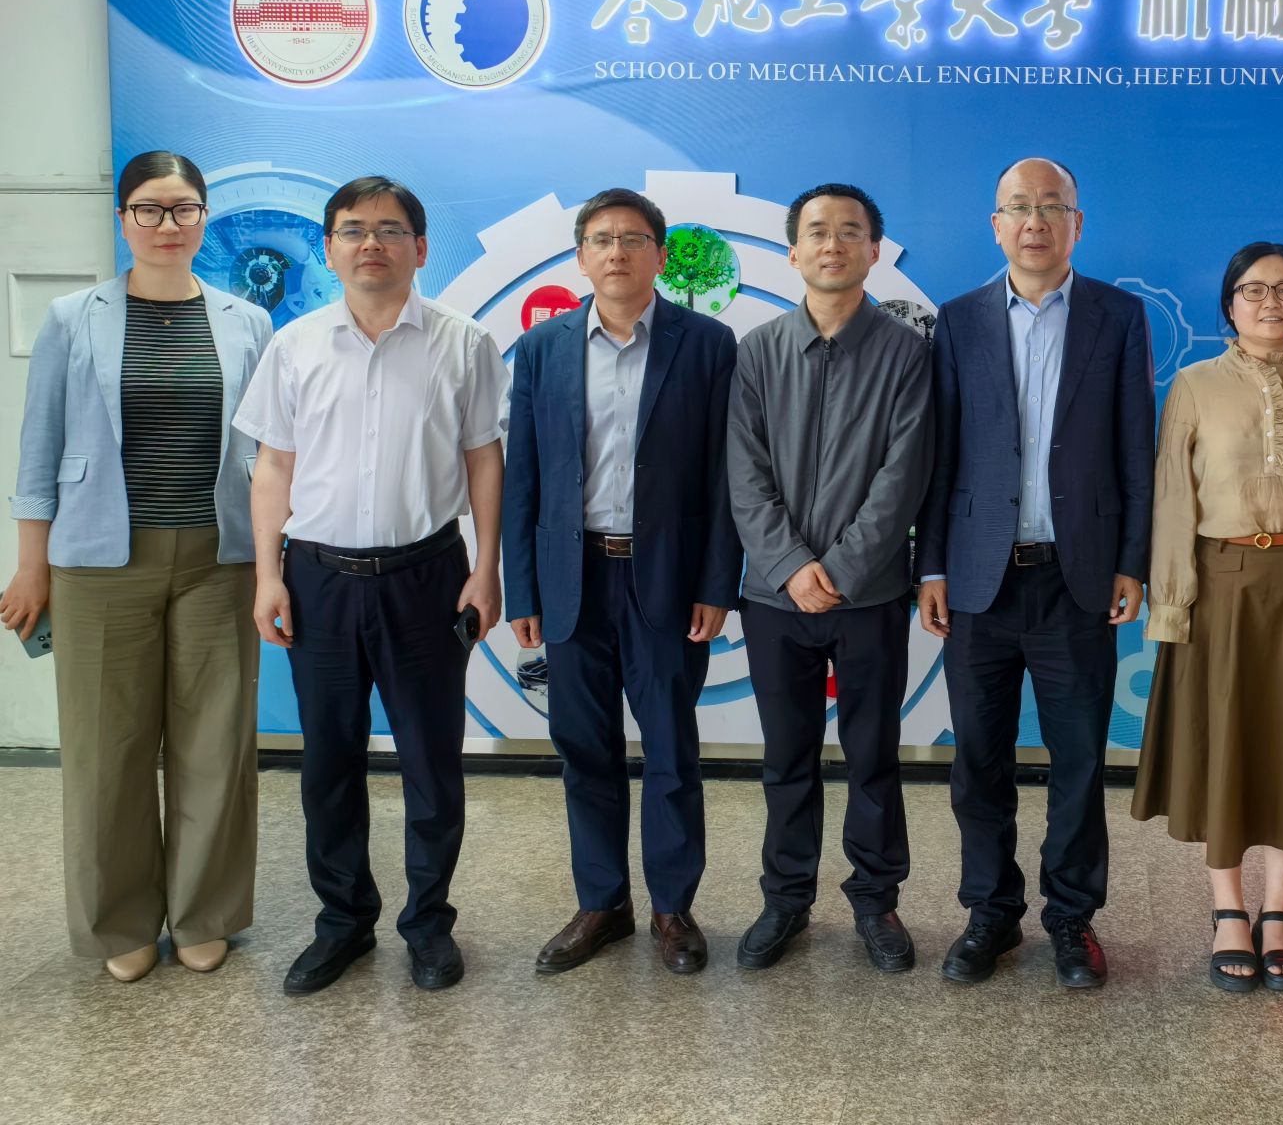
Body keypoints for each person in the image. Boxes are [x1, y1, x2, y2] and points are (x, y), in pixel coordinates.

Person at [2, 153, 271, 983]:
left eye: (184, 209)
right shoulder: (70, 318)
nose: (167, 225)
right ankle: (118, 919)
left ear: (204, 218)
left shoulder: (246, 321)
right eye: (149, 209)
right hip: (97, 563)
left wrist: (275, 559)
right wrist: (31, 566)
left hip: (219, 558)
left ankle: (204, 912)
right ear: (122, 219)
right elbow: (40, 446)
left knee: (215, 745)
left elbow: (268, 453)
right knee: (105, 749)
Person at [236, 176, 507, 996]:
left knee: (431, 762)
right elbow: (272, 467)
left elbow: (484, 460)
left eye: (390, 230)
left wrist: (486, 568)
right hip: (317, 578)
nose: (371, 244)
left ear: (420, 248)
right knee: (328, 763)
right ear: (329, 249)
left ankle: (428, 923)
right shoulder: (295, 345)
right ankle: (343, 922)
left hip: (428, 577)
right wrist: (268, 575)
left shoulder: (464, 343)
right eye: (353, 230)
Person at [915, 158, 1154, 989]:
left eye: (1052, 207)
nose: (1035, 221)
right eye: (1019, 207)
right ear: (996, 226)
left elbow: (1135, 447)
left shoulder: (1117, 317)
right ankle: (990, 911)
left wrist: (1132, 561)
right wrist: (931, 565)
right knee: (978, 759)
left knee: (1078, 760)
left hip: (1076, 576)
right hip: (978, 578)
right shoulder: (958, 321)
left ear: (1076, 224)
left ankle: (1071, 917)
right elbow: (940, 454)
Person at [503, 188, 742, 978]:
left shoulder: (706, 345)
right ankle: (602, 903)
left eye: (633, 239)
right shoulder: (542, 348)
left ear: (659, 256)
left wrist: (717, 580)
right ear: (580, 256)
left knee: (671, 746)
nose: (616, 252)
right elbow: (524, 476)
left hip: (666, 577)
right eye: (601, 239)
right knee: (584, 746)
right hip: (572, 578)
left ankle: (673, 907)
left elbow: (724, 476)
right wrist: (523, 590)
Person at [1133, 243, 1283, 993]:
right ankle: (1229, 909)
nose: (1271, 303)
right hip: (1220, 585)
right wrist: (1172, 604)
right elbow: (1174, 498)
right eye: (1254, 290)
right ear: (1229, 305)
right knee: (1227, 746)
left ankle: (1281, 911)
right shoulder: (1195, 385)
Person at [727, 183, 934, 973]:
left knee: (873, 756)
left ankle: (876, 903)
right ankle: (785, 900)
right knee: (786, 758)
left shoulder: (907, 354)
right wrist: (790, 567)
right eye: (817, 231)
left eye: (850, 231)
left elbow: (903, 477)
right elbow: (744, 473)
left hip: (868, 595)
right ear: (793, 251)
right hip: (773, 598)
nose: (833, 244)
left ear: (873, 251)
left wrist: (841, 570)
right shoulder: (757, 351)